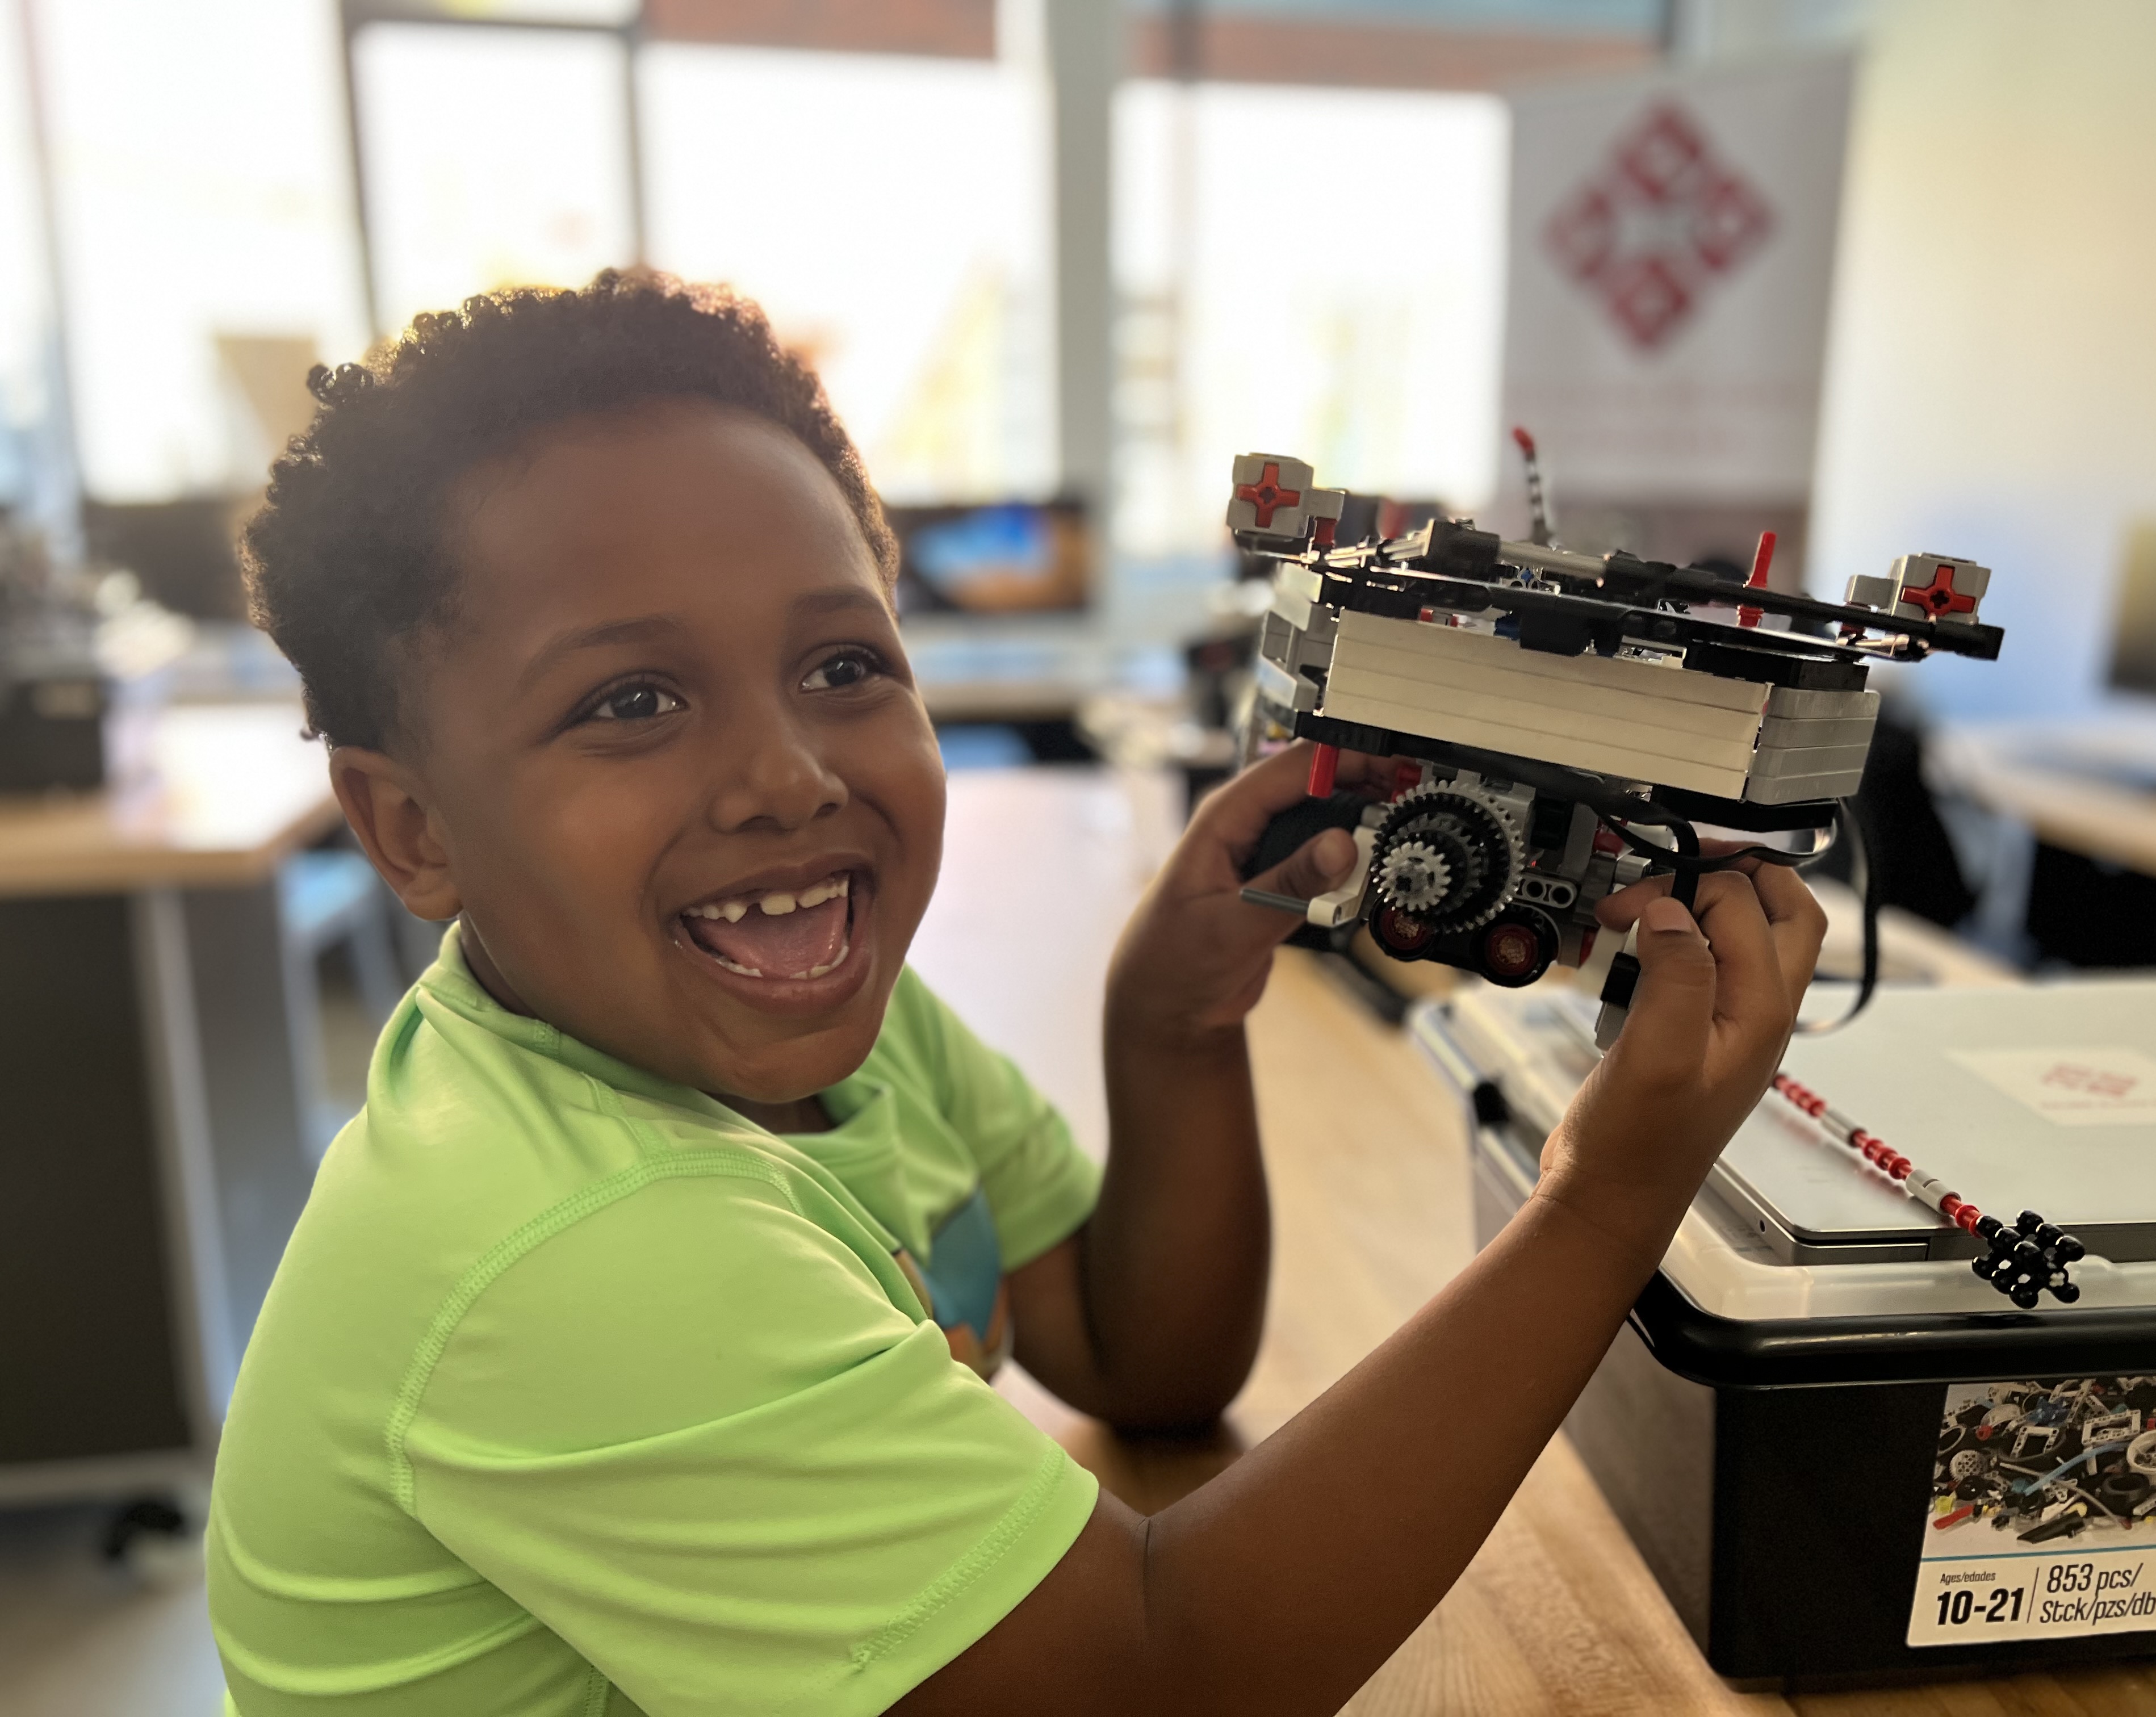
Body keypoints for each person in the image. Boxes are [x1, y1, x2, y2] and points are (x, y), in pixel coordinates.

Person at [206, 270, 1823, 1716]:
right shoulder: (579, 1247)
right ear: (410, 829)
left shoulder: (828, 1039)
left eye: (845, 666)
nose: (788, 776)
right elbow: (1164, 1682)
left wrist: (1170, 1025)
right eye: (632, 701)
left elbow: (1141, 1360)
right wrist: (1610, 1203)